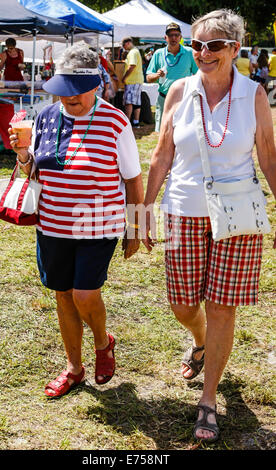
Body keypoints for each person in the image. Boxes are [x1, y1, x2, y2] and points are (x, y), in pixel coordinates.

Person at [142, 9, 276, 442]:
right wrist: (142, 213)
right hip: (182, 209)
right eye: (197, 44)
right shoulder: (178, 91)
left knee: (222, 305)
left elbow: (269, 159)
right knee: (183, 303)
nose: (202, 52)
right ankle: (199, 340)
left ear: (236, 49)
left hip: (237, 217)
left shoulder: (253, 94)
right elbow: (161, 155)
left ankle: (209, 398)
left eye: (214, 45)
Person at [9, 44, 144, 398]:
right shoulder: (45, 116)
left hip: (98, 224)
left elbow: (132, 178)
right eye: (63, 90)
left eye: (76, 91)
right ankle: (73, 368)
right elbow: (34, 171)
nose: (68, 98)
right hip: (52, 224)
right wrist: (23, 155)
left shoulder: (116, 121)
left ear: (96, 85)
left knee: (85, 294)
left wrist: (139, 228)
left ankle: (103, 343)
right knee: (64, 295)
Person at [146, 23, 198, 132]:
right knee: (163, 133)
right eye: (170, 35)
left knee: (183, 133)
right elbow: (148, 78)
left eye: (176, 35)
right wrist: (157, 75)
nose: (173, 38)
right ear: (165, 38)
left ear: (180, 37)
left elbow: (199, 75)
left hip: (183, 100)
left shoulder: (189, 53)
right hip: (164, 99)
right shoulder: (158, 54)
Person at [121, 37, 144, 128]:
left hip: (132, 81)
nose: (124, 48)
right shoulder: (135, 51)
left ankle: (127, 123)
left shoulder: (133, 52)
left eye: (124, 46)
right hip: (137, 80)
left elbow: (132, 66)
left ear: (128, 43)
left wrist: (124, 77)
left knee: (129, 102)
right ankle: (136, 122)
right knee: (136, 102)